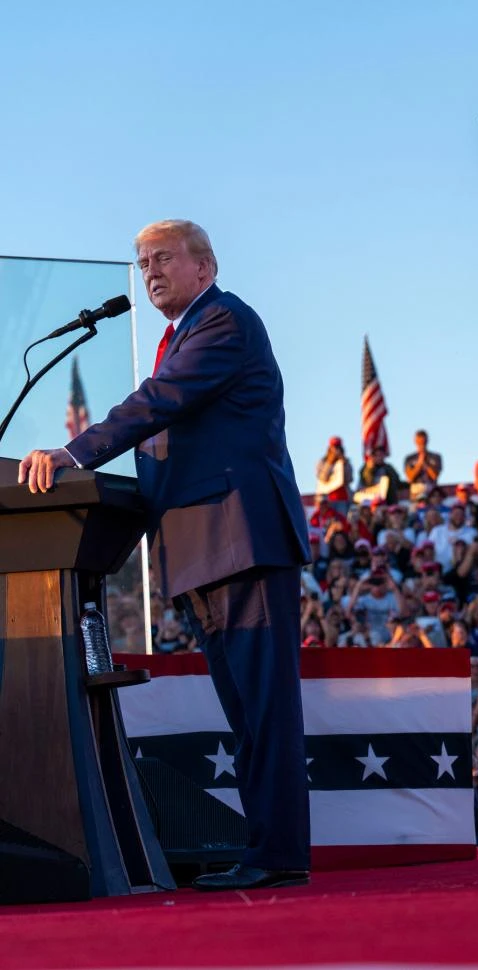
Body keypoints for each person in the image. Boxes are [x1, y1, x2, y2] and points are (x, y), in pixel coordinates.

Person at [19, 220, 310, 891]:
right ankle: (270, 849)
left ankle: (279, 853)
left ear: (205, 267)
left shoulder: (224, 321)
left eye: (163, 258)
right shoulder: (181, 335)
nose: (149, 270)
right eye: (143, 261)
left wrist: (75, 453)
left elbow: (160, 402)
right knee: (247, 713)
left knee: (264, 709)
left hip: (240, 540)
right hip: (204, 547)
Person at [403, 429, 443, 501]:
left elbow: (435, 476)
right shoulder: (409, 458)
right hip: (416, 490)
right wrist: (419, 464)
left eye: (423, 442)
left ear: (427, 441)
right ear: (415, 441)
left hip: (431, 490)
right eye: (419, 442)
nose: (421, 444)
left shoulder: (436, 457)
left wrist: (425, 465)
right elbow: (410, 478)